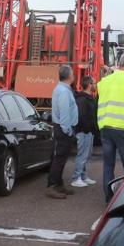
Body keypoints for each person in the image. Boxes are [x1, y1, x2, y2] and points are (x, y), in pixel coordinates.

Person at [96, 52, 124, 201]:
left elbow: (98, 100)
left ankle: (108, 198)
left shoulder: (104, 81)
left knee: (108, 165)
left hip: (105, 127)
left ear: (120, 64)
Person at [45, 64, 77, 198]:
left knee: (61, 158)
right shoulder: (63, 92)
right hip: (64, 129)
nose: (74, 75)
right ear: (69, 76)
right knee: (59, 159)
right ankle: (52, 186)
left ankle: (58, 184)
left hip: (62, 128)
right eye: (73, 73)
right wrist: (68, 130)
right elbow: (64, 113)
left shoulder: (62, 89)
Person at [71, 81, 97, 188]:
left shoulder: (89, 98)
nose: (96, 85)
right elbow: (81, 116)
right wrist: (86, 129)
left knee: (87, 154)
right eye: (94, 83)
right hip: (83, 131)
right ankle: (76, 178)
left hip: (88, 131)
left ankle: (83, 176)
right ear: (89, 85)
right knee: (82, 155)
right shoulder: (82, 99)